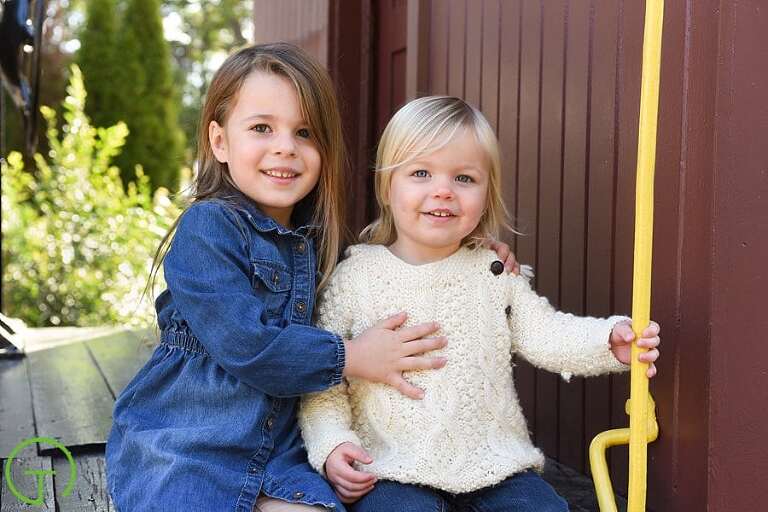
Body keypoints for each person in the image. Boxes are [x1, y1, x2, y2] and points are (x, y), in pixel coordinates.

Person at [105, 44, 517, 512]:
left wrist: (467, 255)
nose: (285, 146)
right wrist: (352, 356)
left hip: (279, 452)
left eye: (304, 133)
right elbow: (248, 345)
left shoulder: (321, 243)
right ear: (219, 142)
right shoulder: (208, 228)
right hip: (188, 442)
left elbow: (398, 274)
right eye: (262, 128)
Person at [298, 96, 662, 512]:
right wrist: (334, 446)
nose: (443, 191)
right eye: (420, 173)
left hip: (496, 467)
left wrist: (605, 340)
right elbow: (323, 380)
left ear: (487, 193)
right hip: (392, 469)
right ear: (387, 185)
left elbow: (544, 332)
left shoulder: (492, 270)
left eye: (464, 178)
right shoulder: (356, 278)